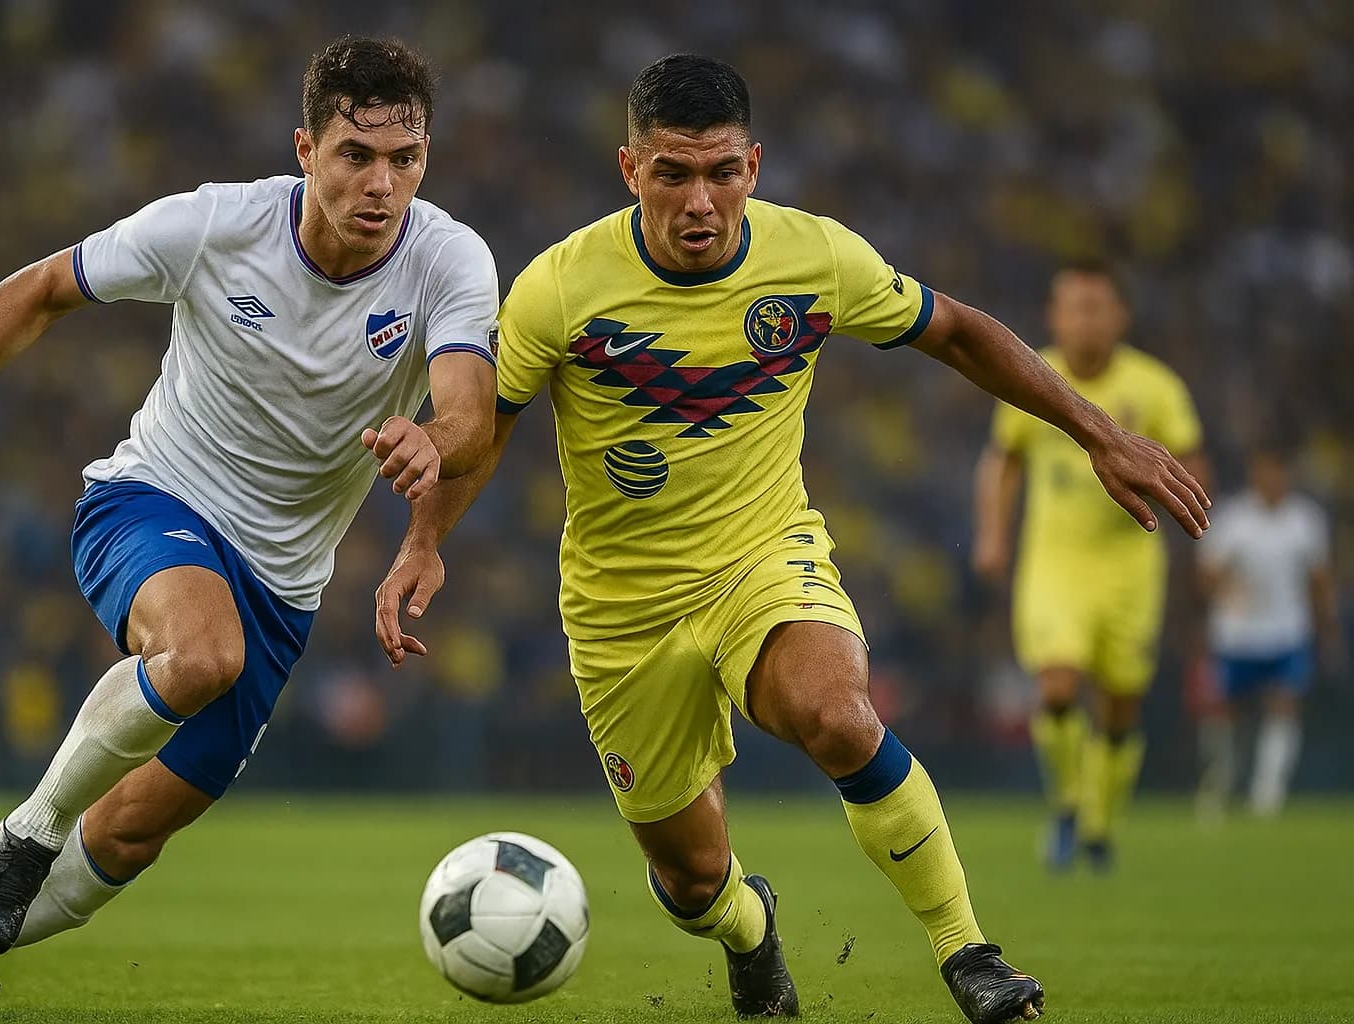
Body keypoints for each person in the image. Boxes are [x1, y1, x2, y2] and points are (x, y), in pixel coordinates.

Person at [376, 55, 1209, 1022]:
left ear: (756, 166)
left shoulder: (816, 258)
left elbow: (960, 332)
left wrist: (1100, 432)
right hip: (620, 612)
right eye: (673, 174)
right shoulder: (559, 288)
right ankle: (750, 929)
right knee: (693, 883)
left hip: (761, 562)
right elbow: (489, 426)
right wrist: (422, 542)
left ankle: (967, 953)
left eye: (722, 172)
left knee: (839, 714)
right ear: (629, 169)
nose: (700, 200)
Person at [0, 36, 500, 1020]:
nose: (380, 182)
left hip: (285, 583)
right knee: (200, 653)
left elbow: (472, 414)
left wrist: (429, 450)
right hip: (153, 500)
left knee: (126, 840)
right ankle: (26, 832)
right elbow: (41, 288)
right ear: (305, 150)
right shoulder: (214, 225)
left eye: (403, 159)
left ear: (426, 161)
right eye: (355, 155)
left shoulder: (450, 259)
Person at [973, 262, 1208, 872]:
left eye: (1096, 307)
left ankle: (1101, 826)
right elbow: (1003, 461)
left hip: (1131, 564)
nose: (1085, 319)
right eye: (1073, 307)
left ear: (1119, 316)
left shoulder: (1154, 387)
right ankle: (1071, 801)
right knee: (1056, 683)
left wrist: (1179, 497)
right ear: (1054, 316)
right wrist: (993, 534)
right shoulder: (1034, 378)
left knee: (1121, 702)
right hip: (1055, 565)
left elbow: (1190, 462)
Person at [1195, 444, 1341, 817]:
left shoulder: (1305, 520)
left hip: (1287, 631)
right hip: (1237, 632)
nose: (1272, 479)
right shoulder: (1233, 518)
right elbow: (1207, 573)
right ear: (1253, 473)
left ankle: (1267, 793)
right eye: (1265, 471)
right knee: (1225, 712)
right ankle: (1222, 778)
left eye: (1278, 471)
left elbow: (1319, 579)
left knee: (1284, 705)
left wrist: (1327, 626)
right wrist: (1227, 589)